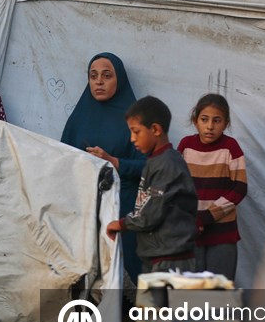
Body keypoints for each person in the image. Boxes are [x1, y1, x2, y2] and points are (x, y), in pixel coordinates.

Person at [61, 52, 146, 279]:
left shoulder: (136, 120)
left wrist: (114, 162)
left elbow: (149, 167)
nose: (99, 81)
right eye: (93, 76)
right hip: (84, 209)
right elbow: (62, 161)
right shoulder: (79, 117)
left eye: (107, 76)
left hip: (123, 210)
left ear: (119, 79)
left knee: (121, 277)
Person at [106, 96, 197, 274]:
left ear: (155, 129)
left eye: (136, 132)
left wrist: (122, 224)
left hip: (172, 261)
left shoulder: (168, 164)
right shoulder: (155, 161)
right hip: (157, 258)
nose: (132, 139)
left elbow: (152, 211)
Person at [177, 94, 248, 280]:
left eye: (217, 120)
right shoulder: (186, 146)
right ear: (195, 121)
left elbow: (239, 188)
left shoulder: (231, 148)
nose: (210, 126)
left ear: (225, 123)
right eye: (204, 119)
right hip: (190, 233)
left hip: (222, 235)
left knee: (217, 297)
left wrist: (206, 217)